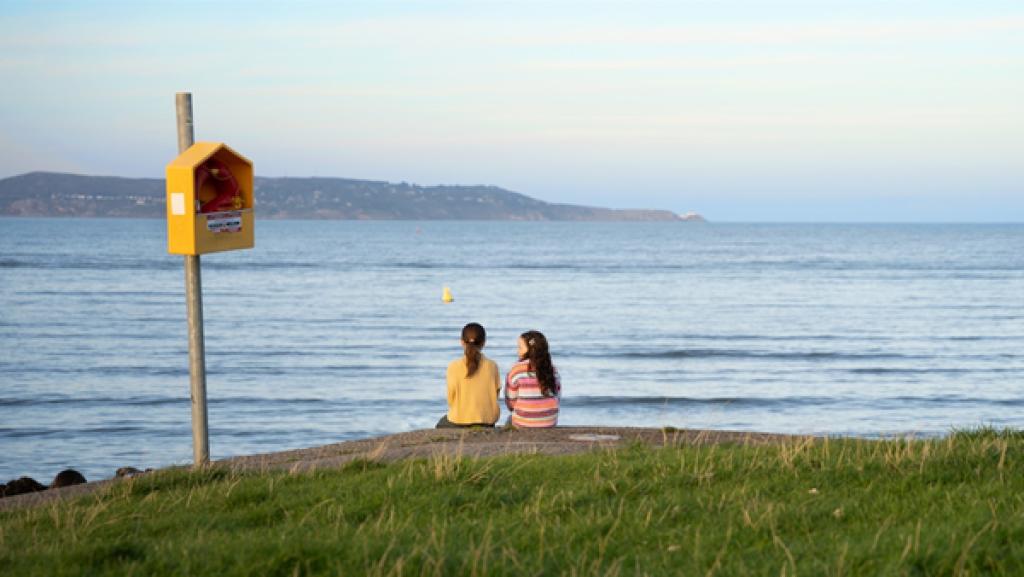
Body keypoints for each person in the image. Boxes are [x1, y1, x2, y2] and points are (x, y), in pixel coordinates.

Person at [436, 323, 501, 428]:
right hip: (487, 420)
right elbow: (496, 394)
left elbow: (450, 398)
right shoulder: (492, 365)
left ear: (461, 342)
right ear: (484, 343)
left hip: (459, 419)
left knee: (440, 425)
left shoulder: (453, 366)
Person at [505, 330, 560, 428]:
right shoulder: (552, 369)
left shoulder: (516, 369)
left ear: (531, 350)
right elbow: (557, 397)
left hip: (523, 422)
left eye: (520, 347)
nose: (518, 351)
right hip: (549, 421)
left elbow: (511, 403)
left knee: (509, 421)